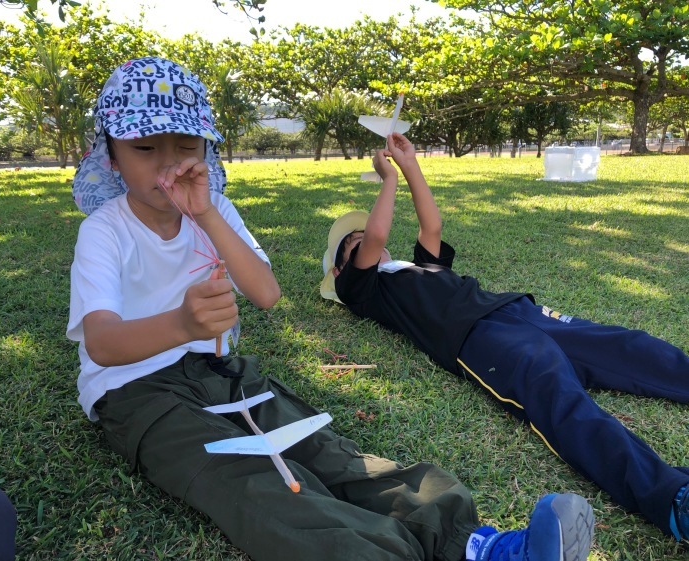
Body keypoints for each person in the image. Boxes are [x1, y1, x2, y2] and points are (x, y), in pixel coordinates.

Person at [67, 57, 594, 561]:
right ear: (110, 156)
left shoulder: (215, 208)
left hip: (220, 370)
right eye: (144, 148)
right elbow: (103, 343)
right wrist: (181, 323)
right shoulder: (105, 231)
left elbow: (266, 293)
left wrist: (205, 214)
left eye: (186, 145)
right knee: (252, 484)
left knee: (327, 452)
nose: (169, 163)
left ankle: (481, 546)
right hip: (135, 392)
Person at [320, 131, 689, 543]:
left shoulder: (416, 266)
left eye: (358, 236)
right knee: (559, 399)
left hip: (516, 310)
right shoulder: (364, 292)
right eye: (350, 246)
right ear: (340, 273)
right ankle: (671, 498)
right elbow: (375, 237)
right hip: (477, 340)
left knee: (624, 346)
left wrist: (410, 167)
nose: (362, 240)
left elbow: (432, 225)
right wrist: (387, 180)